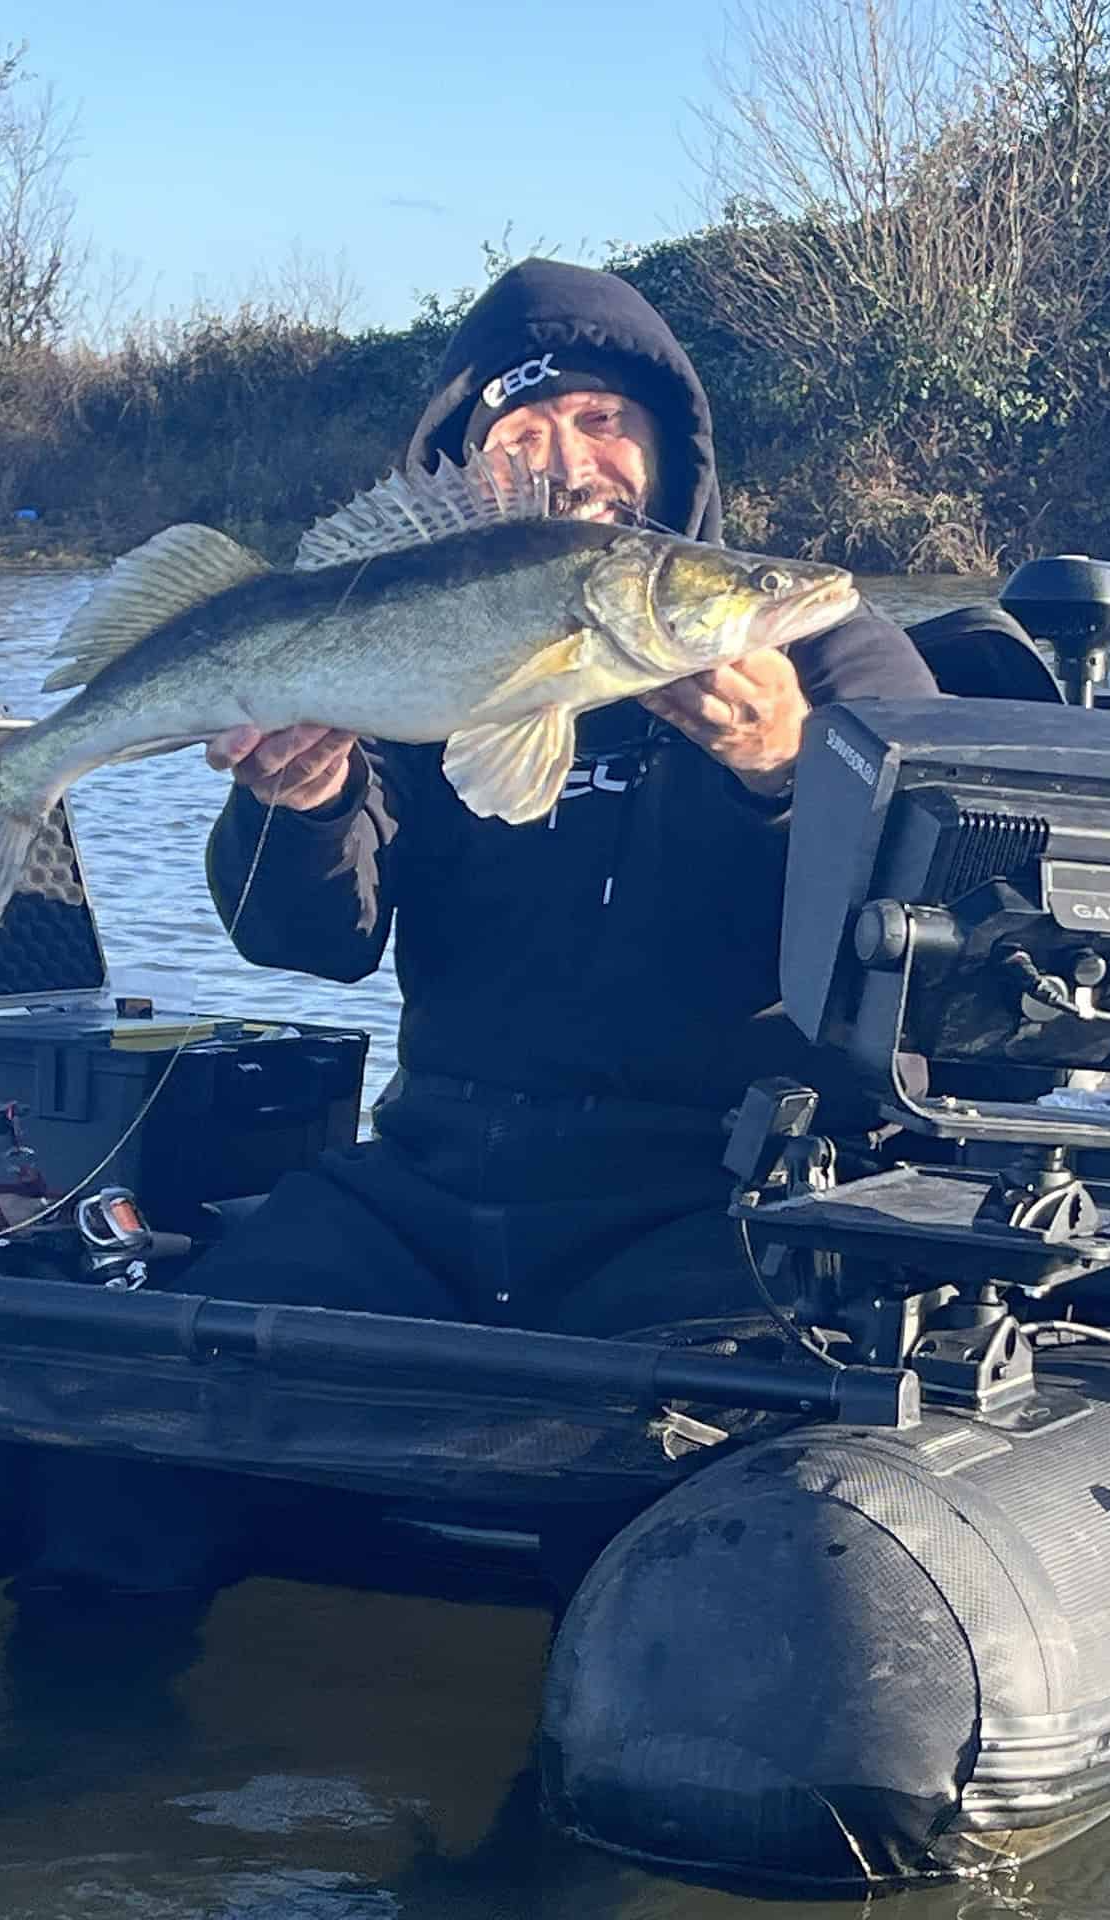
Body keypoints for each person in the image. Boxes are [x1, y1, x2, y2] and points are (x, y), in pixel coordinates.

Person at [181, 258, 938, 1338]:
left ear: (671, 448)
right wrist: (301, 809)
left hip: (728, 1192)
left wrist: (784, 771)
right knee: (194, 1357)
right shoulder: (410, 656)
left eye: (601, 418)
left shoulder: (828, 656)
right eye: (523, 428)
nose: (571, 462)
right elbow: (311, 945)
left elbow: (921, 962)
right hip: (436, 1184)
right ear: (469, 466)